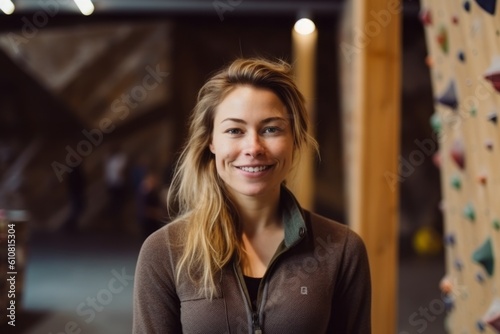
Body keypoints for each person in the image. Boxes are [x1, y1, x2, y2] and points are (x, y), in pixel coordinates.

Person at [133, 58, 371, 333]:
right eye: (235, 130)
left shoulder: (341, 249)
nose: (253, 147)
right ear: (211, 141)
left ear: (295, 140)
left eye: (271, 129)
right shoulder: (165, 252)